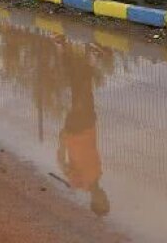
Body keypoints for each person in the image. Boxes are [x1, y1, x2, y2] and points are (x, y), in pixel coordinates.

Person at [58, 44, 110, 217]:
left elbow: (62, 162)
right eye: (106, 200)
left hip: (77, 128)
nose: (104, 196)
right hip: (87, 126)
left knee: (82, 89)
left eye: (102, 201)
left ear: (94, 202)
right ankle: (63, 49)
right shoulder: (97, 177)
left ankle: (91, 58)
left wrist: (63, 141)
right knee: (79, 88)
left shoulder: (80, 182)